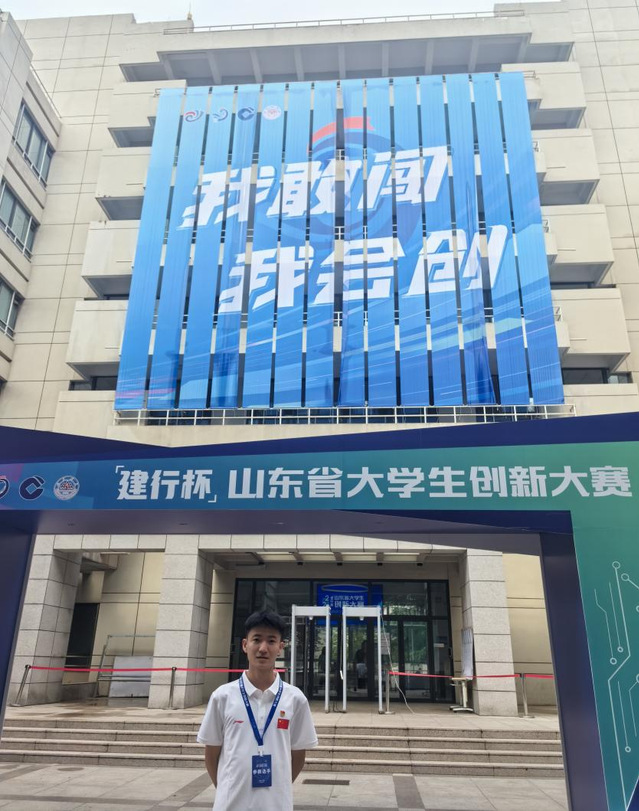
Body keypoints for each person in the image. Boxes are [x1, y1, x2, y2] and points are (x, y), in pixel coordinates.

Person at [197, 610, 318, 810]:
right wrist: (227, 789)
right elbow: (211, 754)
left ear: (280, 648)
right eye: (256, 640)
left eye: (271, 641)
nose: (263, 648)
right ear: (245, 645)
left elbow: (298, 755)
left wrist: (278, 789)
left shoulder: (295, 699)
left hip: (277, 805)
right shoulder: (223, 696)